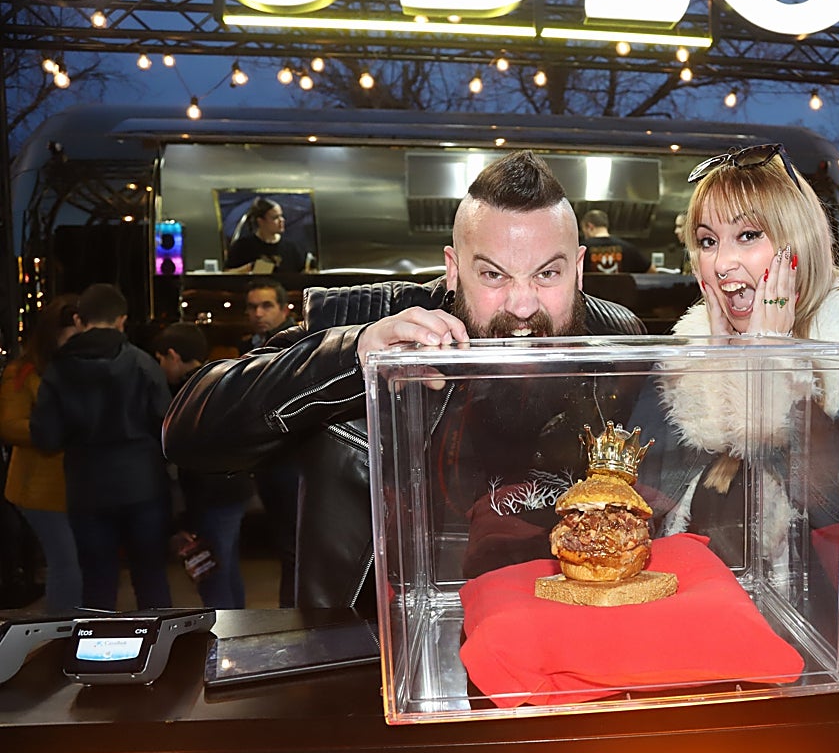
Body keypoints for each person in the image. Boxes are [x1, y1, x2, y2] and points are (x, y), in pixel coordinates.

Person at [163, 150, 646, 610]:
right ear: (454, 270)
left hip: (559, 624)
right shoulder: (371, 319)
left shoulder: (617, 336)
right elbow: (190, 434)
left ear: (579, 269)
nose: (523, 306)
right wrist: (353, 357)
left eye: (547, 274)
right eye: (494, 276)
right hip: (381, 644)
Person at [656, 144, 839, 753]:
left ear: (796, 244)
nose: (724, 263)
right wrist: (721, 368)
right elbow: (656, 494)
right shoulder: (688, 348)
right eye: (708, 240)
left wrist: (777, 371)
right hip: (716, 647)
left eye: (749, 235)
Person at [30, 283, 174, 611]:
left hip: (87, 490)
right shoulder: (143, 363)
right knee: (151, 578)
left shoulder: (57, 371)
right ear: (121, 320)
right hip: (144, 486)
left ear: (80, 319)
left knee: (97, 584)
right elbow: (167, 427)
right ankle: (165, 655)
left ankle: (96, 658)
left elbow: (46, 439)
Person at [154, 322, 254, 609]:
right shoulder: (219, 380)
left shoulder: (188, 393)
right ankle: (238, 630)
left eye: (160, 359)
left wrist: (185, 515)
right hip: (234, 487)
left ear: (173, 355)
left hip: (212, 493)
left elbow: (193, 455)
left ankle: (222, 636)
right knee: (227, 566)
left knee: (212, 573)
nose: (160, 367)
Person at [0, 294, 83, 613]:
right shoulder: (23, 371)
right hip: (37, 489)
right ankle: (63, 636)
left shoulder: (81, 367)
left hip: (77, 487)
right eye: (70, 338)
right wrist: (56, 432)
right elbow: (9, 425)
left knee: (75, 564)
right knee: (66, 563)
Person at [236, 277, 300, 606]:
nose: (258, 312)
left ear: (283, 308)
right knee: (286, 546)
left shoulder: (300, 342)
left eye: (266, 306)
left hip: (295, 457)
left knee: (297, 550)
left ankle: (296, 619)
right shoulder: (250, 343)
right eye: (252, 307)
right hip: (268, 459)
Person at [224, 197, 305, 273]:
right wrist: (249, 268)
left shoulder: (290, 247)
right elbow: (227, 274)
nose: (281, 220)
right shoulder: (243, 246)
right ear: (261, 221)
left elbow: (302, 273)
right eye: (275, 218)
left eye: (281, 216)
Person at [580, 209, 651, 274]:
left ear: (590, 226)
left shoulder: (582, 249)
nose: (585, 235)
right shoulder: (628, 248)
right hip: (622, 288)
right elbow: (652, 271)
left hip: (591, 288)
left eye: (584, 230)